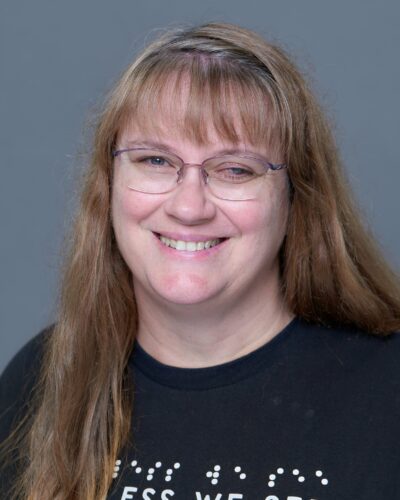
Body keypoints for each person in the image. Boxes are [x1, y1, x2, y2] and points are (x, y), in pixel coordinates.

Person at [1, 22, 400, 500]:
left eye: (235, 169)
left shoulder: (387, 388)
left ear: (297, 197)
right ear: (108, 185)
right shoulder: (41, 378)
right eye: (154, 161)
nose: (189, 207)